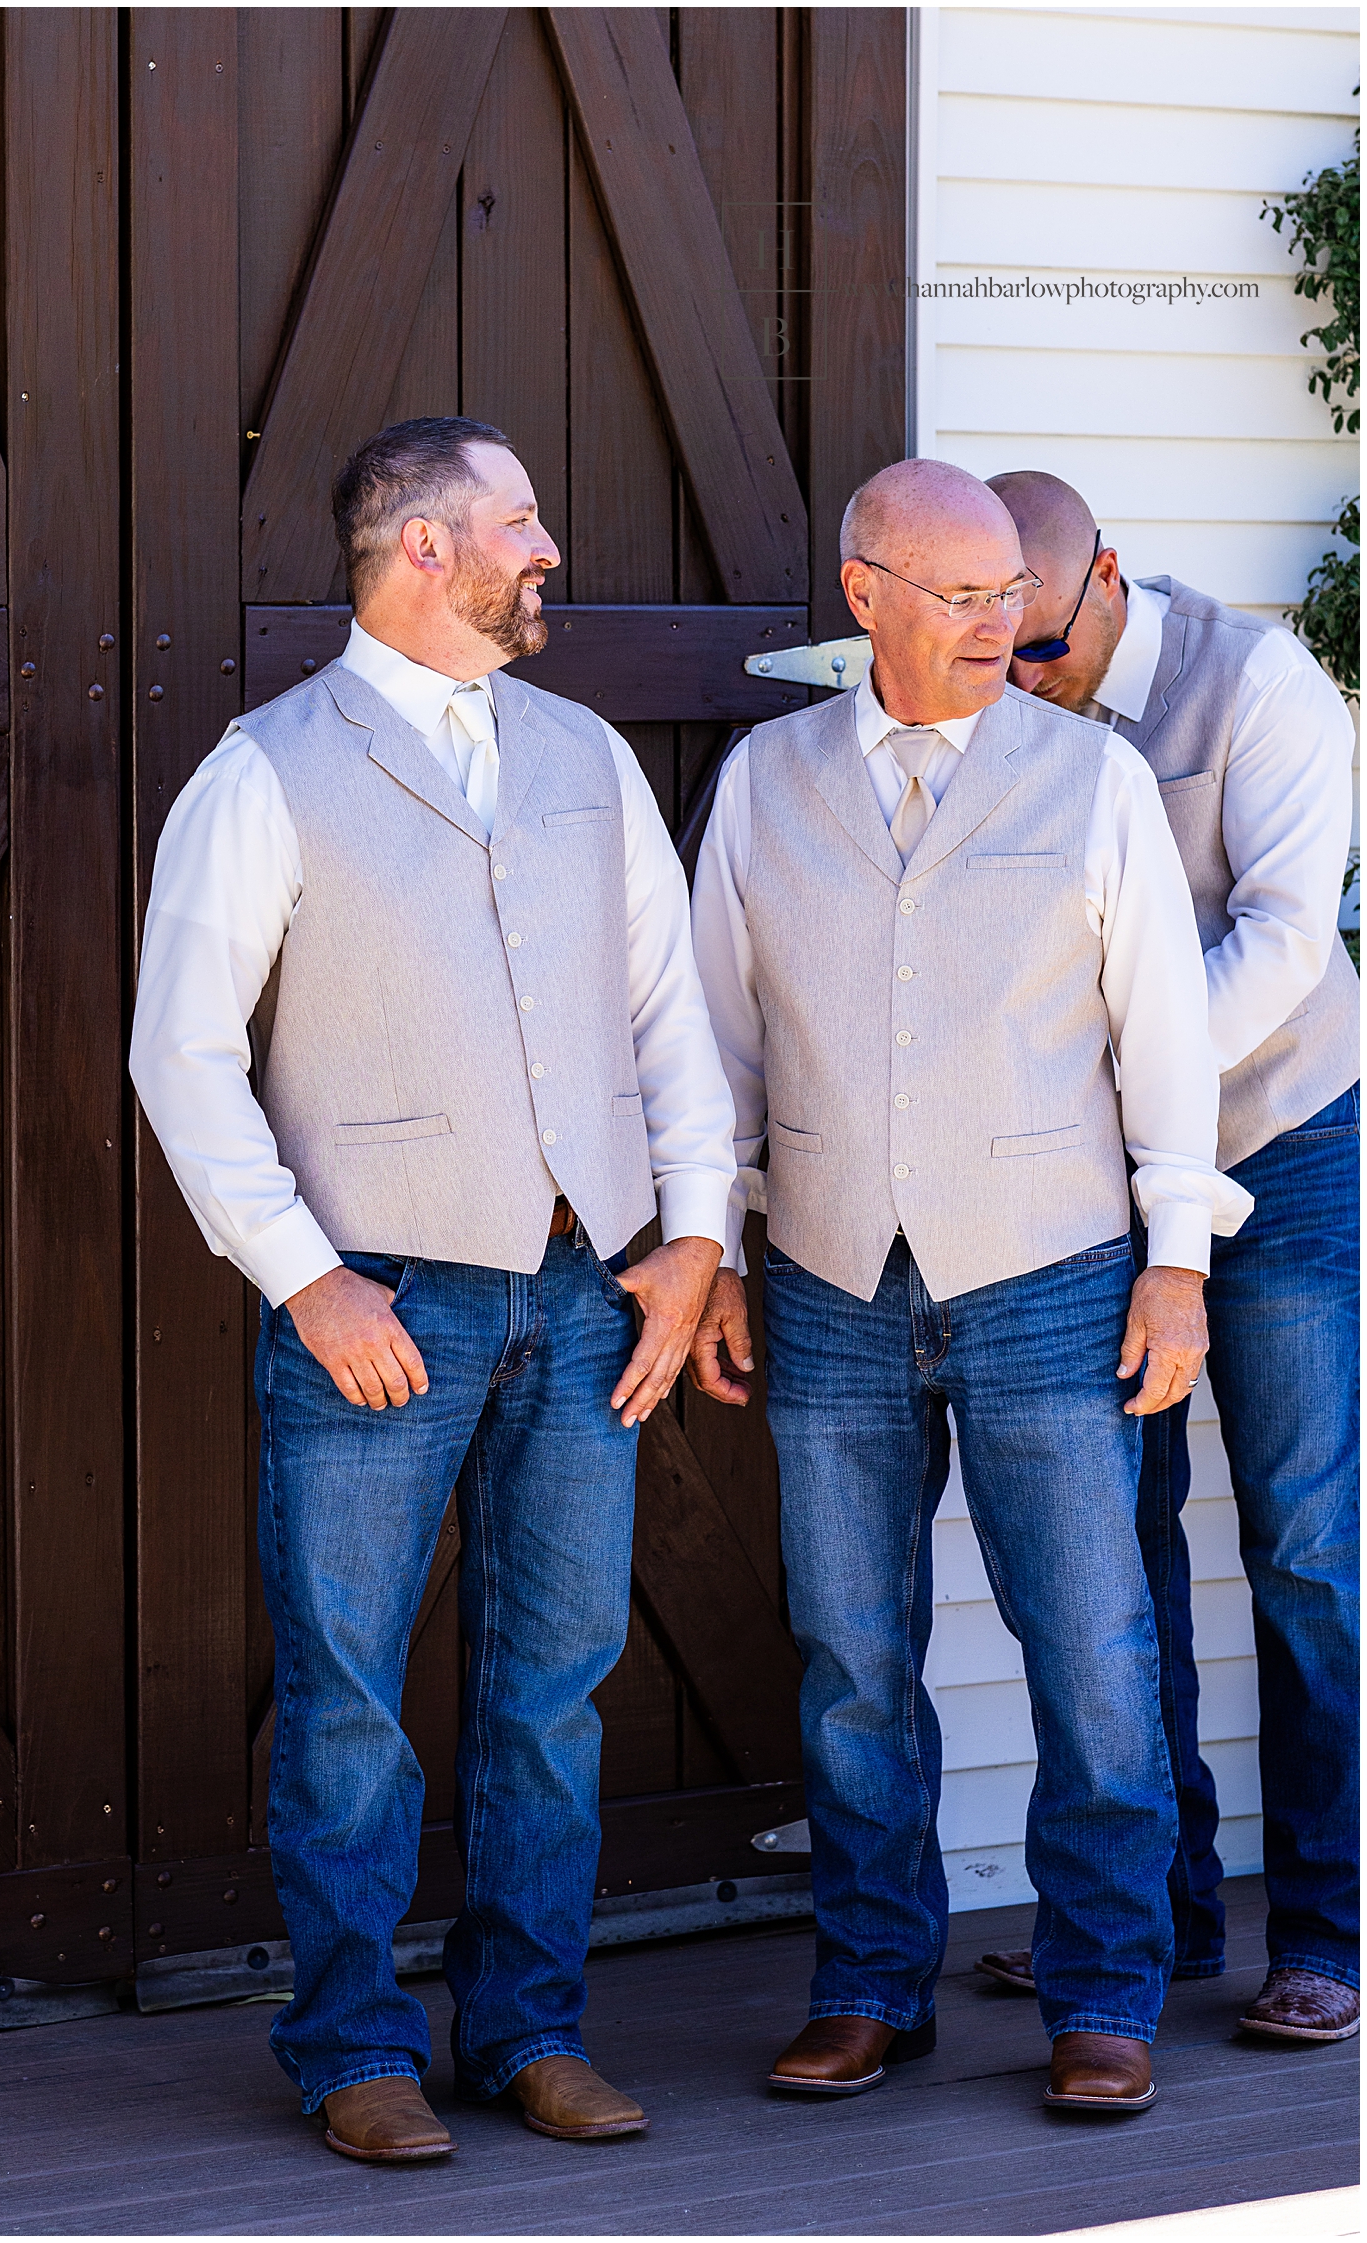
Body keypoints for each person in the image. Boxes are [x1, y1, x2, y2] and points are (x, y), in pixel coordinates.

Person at [130, 417, 736, 2161]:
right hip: (379, 1303)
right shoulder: (264, 770)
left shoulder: (585, 758)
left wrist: (691, 1241)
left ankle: (530, 2031)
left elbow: (665, 1019)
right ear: (420, 549)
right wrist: (308, 1283)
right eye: (521, 522)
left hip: (584, 1300)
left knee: (553, 1687)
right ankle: (352, 2050)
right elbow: (180, 1056)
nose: (549, 550)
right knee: (349, 1697)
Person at [687, 457, 1253, 2116]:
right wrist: (714, 1244)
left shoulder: (1092, 784)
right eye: (963, 594)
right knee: (854, 1654)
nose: (1004, 622)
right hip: (827, 1280)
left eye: (1015, 592)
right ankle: (869, 1983)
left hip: (1052, 1277)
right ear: (865, 595)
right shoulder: (761, 782)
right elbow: (715, 1043)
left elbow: (1168, 1042)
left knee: (1090, 1647)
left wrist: (1177, 1266)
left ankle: (1103, 1994)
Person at [975, 470, 1359, 2046]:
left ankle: (1331, 1934)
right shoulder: (1002, 682)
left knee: (1303, 1548)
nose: (1019, 686)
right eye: (994, 651)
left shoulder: (1261, 683)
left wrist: (1117, 1061)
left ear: (1107, 581)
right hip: (1094, 1187)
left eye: (1043, 655)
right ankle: (1167, 1916)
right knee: (1114, 1565)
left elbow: (1284, 932)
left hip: (1285, 1149)